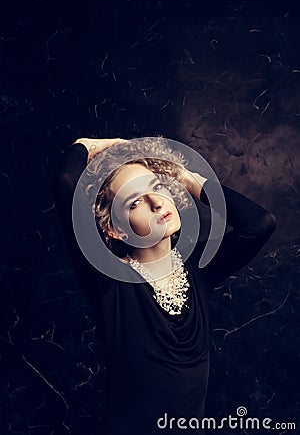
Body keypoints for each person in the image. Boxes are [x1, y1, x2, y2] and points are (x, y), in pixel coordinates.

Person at [54, 136, 277, 434]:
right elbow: (65, 179)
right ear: (115, 229)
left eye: (157, 187)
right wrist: (92, 144)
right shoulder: (108, 279)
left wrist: (181, 175)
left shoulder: (198, 268)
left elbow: (260, 222)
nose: (156, 202)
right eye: (136, 201)